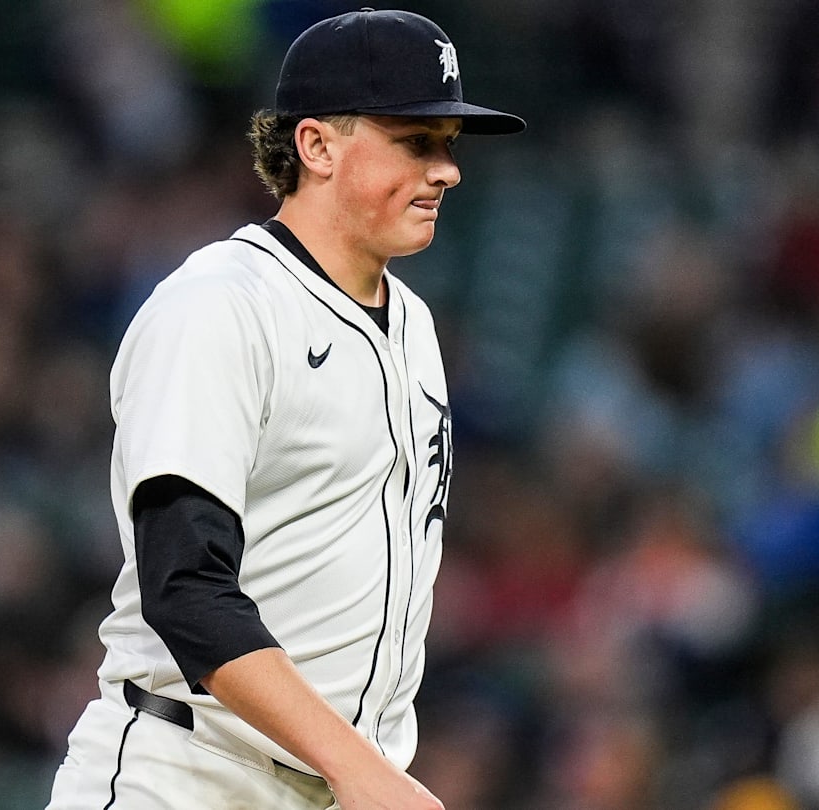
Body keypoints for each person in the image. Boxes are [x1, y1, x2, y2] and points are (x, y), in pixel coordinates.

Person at [44, 8, 523, 809]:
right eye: (416, 142)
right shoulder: (221, 305)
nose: (448, 170)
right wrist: (360, 768)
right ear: (315, 146)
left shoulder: (416, 330)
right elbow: (185, 589)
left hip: (328, 787)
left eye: (448, 144)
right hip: (183, 776)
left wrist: (360, 769)